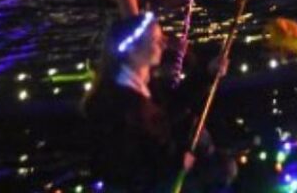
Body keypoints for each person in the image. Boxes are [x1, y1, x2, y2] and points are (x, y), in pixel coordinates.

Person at [84, 13, 236, 193]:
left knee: (223, 166)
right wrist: (176, 164)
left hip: (167, 171)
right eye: (156, 39)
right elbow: (127, 167)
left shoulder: (146, 84)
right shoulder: (114, 104)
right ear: (133, 50)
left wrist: (207, 73)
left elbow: (174, 103)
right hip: (151, 185)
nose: (163, 44)